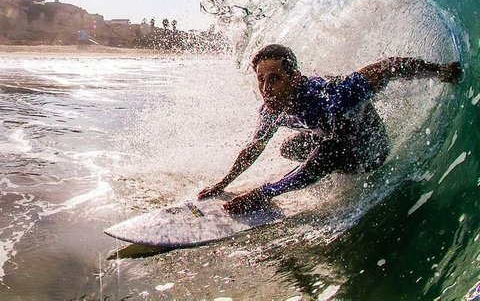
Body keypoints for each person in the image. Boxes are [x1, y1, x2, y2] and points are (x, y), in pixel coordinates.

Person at [198, 44, 462, 213]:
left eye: (275, 79)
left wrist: (440, 71)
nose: (266, 89)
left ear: (294, 77)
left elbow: (386, 68)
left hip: (369, 151)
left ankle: (278, 187)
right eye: (261, 80)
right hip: (332, 138)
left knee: (327, 151)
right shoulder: (272, 110)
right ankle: (307, 171)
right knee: (289, 147)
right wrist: (223, 183)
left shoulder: (330, 96)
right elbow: (254, 147)